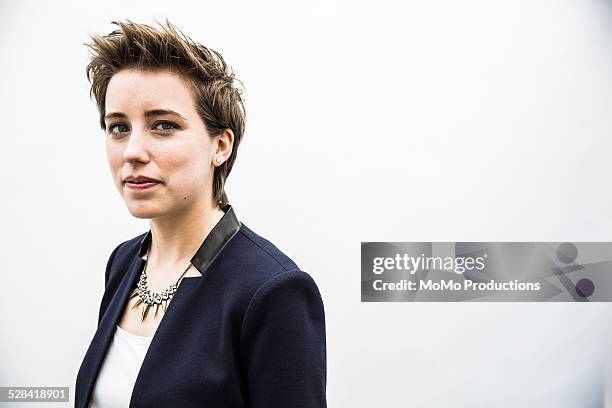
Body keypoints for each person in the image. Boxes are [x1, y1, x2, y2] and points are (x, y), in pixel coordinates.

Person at [74, 19, 327, 408]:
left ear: (220, 145)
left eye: (163, 125)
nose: (132, 151)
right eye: (118, 127)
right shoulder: (123, 263)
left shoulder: (273, 292)